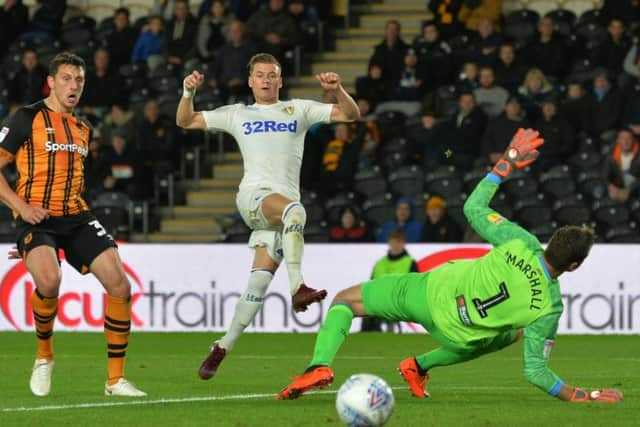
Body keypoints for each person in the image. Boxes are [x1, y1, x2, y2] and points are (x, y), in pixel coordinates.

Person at [276, 128, 624, 404]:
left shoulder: (522, 242)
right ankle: (418, 366)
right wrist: (583, 395)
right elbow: (536, 372)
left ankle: (318, 365)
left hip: (428, 294)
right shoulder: (550, 307)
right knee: (509, 334)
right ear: (574, 266)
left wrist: (506, 162)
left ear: (551, 241)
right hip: (460, 336)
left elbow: (473, 208)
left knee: (346, 300)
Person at [176, 52, 360, 380]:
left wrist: (339, 89)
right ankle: (297, 287)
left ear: (280, 80)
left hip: (280, 217)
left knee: (258, 283)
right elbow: (185, 121)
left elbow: (351, 114)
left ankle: (222, 346)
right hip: (255, 198)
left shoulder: (298, 109)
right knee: (296, 210)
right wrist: (188, 93)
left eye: (271, 75)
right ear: (250, 81)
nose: (265, 80)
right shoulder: (238, 114)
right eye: (259, 75)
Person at [0, 52, 146, 397]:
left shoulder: (83, 128)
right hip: (37, 216)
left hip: (77, 215)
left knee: (120, 286)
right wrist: (22, 209)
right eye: (66, 78)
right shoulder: (26, 118)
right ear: (50, 82)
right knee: (49, 280)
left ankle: (115, 380)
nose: (73, 86)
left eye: (79, 80)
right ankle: (44, 356)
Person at [362, 228, 417, 332]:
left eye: (399, 242)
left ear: (403, 243)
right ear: (389, 242)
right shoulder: (379, 263)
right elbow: (370, 286)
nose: (395, 245)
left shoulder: (410, 263)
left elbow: (414, 288)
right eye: (393, 241)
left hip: (399, 301)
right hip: (379, 300)